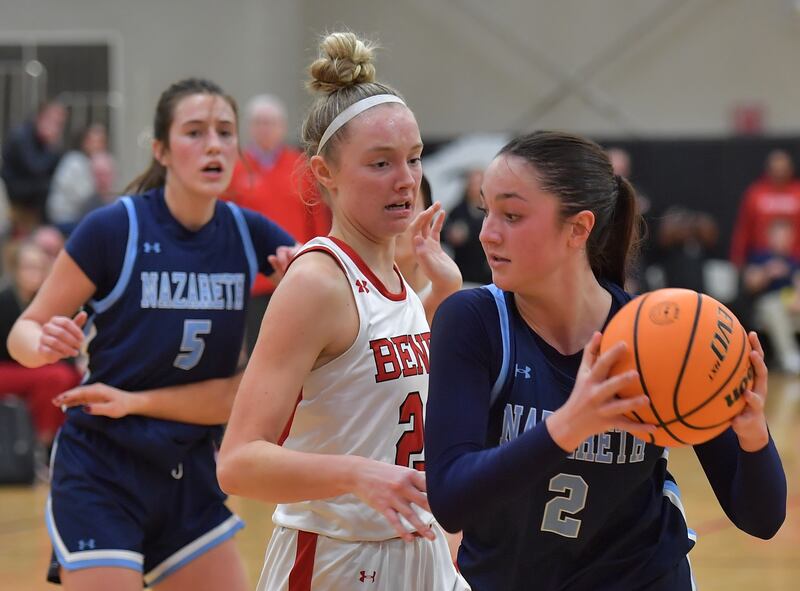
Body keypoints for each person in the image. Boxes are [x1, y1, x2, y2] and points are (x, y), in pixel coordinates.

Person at [425, 131, 787, 591]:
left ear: (578, 228)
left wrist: (753, 435)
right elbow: (451, 499)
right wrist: (569, 426)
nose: (487, 233)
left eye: (512, 215)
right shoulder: (473, 321)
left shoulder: (660, 337)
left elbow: (762, 518)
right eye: (486, 210)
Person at [7, 77, 296, 591]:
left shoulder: (251, 234)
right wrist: (42, 342)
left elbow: (233, 397)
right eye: (195, 131)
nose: (214, 144)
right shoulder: (113, 229)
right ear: (161, 149)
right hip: (102, 467)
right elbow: (22, 332)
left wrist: (308, 277)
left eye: (226, 132)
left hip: (187, 467)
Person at [217, 32, 468, 590]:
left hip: (418, 549)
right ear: (324, 174)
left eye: (414, 158)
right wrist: (357, 476)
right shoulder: (317, 283)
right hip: (334, 559)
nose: (405, 179)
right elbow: (237, 461)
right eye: (380, 163)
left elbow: (375, 372)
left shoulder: (397, 276)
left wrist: (443, 292)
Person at [223, 93, 331, 354]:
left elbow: (316, 218)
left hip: (296, 272)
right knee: (257, 352)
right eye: (259, 122)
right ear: (249, 127)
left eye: (270, 122)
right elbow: (224, 224)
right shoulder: (234, 168)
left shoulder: (301, 167)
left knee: (299, 350)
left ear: (282, 127)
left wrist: (323, 263)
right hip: (253, 280)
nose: (265, 128)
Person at [0, 239, 81, 448]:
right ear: (15, 269)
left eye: (38, 267)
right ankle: (42, 444)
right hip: (8, 368)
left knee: (73, 377)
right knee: (56, 377)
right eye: (27, 267)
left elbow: (68, 351)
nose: (33, 273)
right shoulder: (5, 300)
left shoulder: (53, 301)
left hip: (38, 368)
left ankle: (64, 443)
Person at [0, 100, 67, 233]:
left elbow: (56, 169)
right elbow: (35, 167)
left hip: (32, 190)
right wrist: (51, 146)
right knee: (46, 187)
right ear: (41, 117)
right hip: (15, 191)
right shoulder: (21, 136)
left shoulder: (42, 141)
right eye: (53, 121)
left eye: (60, 124)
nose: (56, 128)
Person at [743, 217, 800, 373]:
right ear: (769, 236)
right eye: (778, 235)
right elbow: (750, 284)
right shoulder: (760, 257)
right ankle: (790, 357)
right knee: (774, 306)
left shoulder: (794, 262)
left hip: (791, 307)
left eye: (786, 235)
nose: (782, 239)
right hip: (765, 308)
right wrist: (767, 272)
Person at [730, 149, 800, 268]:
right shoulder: (756, 193)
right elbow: (744, 228)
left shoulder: (797, 192)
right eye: (776, 169)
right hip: (762, 259)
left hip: (796, 258)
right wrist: (737, 257)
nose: (780, 173)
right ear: (768, 170)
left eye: (783, 169)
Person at [47, 123, 112, 227]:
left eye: (101, 141)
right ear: (85, 142)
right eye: (93, 141)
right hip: (67, 218)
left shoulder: (96, 161)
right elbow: (84, 196)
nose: (98, 145)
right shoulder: (74, 161)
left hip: (80, 216)